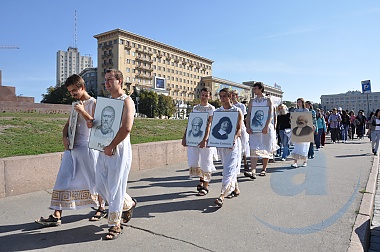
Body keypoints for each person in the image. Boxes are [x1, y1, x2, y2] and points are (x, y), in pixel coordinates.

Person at [35, 74, 103, 226]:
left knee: (95, 179)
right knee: (63, 178)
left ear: (82, 87)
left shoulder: (94, 102)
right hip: (72, 147)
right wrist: (64, 137)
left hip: (88, 147)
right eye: (70, 91)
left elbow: (96, 124)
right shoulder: (75, 104)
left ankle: (101, 207)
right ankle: (57, 214)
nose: (72, 94)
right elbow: (67, 124)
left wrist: (82, 111)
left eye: (74, 91)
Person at [90, 69, 136, 240]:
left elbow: (127, 127)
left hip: (118, 149)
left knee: (115, 187)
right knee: (100, 185)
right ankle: (128, 203)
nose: (107, 83)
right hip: (103, 148)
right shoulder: (106, 102)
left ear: (120, 81)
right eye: (105, 81)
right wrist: (91, 123)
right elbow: (100, 125)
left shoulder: (127, 101)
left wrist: (112, 145)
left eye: (110, 80)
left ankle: (115, 225)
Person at [182, 87, 216, 196]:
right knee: (194, 161)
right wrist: (185, 137)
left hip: (206, 139)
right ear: (200, 95)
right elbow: (190, 123)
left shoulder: (211, 108)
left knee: (206, 162)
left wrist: (205, 139)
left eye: (206, 95)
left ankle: (205, 186)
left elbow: (209, 124)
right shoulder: (195, 108)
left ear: (210, 96)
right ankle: (201, 180)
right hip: (194, 139)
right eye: (203, 95)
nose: (204, 97)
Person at [213, 88, 243, 207]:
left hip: (233, 145)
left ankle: (222, 195)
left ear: (230, 96)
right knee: (227, 166)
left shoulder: (237, 111)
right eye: (220, 96)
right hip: (222, 144)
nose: (222, 99)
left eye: (224, 96)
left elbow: (239, 129)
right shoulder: (218, 111)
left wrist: (233, 139)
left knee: (228, 170)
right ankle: (235, 188)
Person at [245, 82, 278, 178]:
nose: (254, 90)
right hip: (254, 128)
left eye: (255, 88)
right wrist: (247, 126)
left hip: (265, 128)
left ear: (260, 89)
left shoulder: (268, 100)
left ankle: (264, 169)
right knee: (253, 148)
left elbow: (270, 114)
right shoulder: (252, 101)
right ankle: (253, 170)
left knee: (265, 147)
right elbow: (249, 115)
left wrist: (266, 126)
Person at [231, 90, 250, 170]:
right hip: (232, 128)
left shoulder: (241, 106)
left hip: (240, 127)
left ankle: (245, 162)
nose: (232, 97)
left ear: (236, 96)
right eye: (231, 95)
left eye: (233, 95)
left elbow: (244, 117)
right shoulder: (230, 106)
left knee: (243, 144)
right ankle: (234, 163)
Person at [290, 98, 310, 167]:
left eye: (300, 102)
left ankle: (305, 161)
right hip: (297, 129)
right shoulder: (296, 110)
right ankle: (295, 162)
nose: (298, 103)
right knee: (297, 146)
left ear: (302, 103)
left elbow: (308, 120)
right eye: (297, 102)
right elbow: (293, 119)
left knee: (304, 146)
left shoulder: (306, 110)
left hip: (304, 130)